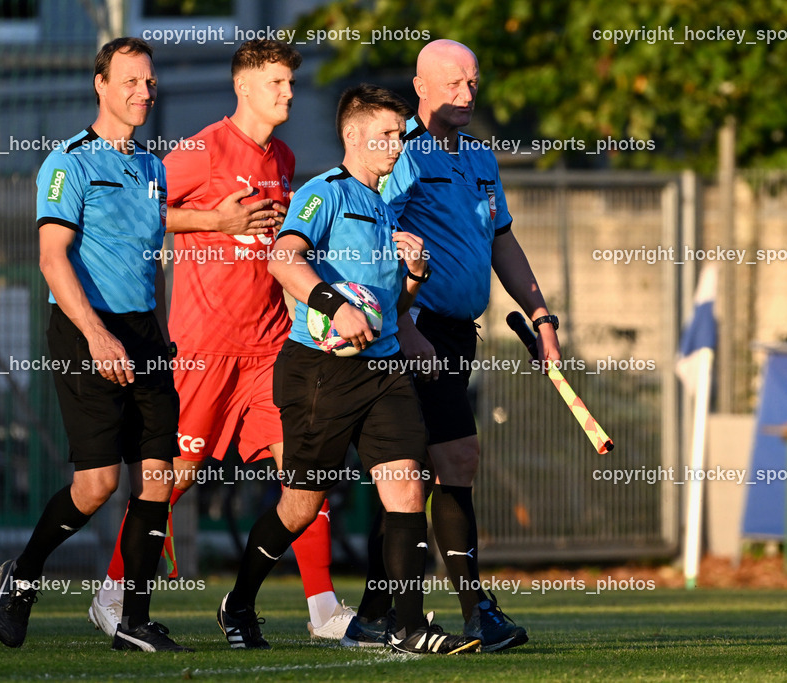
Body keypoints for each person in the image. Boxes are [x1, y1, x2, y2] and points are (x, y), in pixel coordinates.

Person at [88, 38, 355, 641]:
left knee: (305, 474)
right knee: (173, 477)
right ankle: (111, 595)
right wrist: (215, 221)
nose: (289, 92)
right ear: (243, 86)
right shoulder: (203, 149)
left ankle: (323, 608)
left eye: (291, 82)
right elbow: (134, 209)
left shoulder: (284, 157)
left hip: (269, 350)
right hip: (204, 349)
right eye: (277, 82)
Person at [214, 83, 479, 655]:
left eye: (400, 135)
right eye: (385, 135)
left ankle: (407, 626)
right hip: (319, 373)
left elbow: (394, 306)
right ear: (352, 135)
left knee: (407, 487)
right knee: (301, 504)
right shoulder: (324, 193)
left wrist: (414, 274)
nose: (396, 145)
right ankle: (238, 602)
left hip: (384, 372)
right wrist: (334, 306)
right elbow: (283, 257)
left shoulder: (387, 209)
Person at [345, 39, 561, 653]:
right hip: (413, 334)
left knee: (417, 474)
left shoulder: (479, 157)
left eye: (473, 83)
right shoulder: (401, 154)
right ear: (421, 86)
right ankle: (476, 611)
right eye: (454, 84)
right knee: (444, 463)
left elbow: (502, 243)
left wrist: (539, 313)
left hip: (455, 337)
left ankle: (373, 613)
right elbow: (375, 239)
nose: (467, 95)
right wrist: (405, 324)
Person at [0, 37, 190, 653]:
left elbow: (151, 248)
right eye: (129, 80)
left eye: (149, 81)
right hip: (85, 330)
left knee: (157, 475)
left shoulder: (153, 166)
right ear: (100, 84)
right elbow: (52, 261)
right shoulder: (68, 162)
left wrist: (156, 330)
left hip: (144, 333)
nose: (143, 92)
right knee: (98, 484)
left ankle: (133, 619)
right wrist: (99, 335)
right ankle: (23, 573)